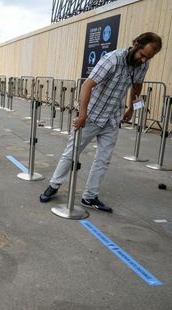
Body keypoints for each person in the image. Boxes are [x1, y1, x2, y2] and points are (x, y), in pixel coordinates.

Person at [39, 32, 162, 213]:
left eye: (148, 58)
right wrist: (82, 114)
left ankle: (89, 197)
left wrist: (130, 107)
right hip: (91, 115)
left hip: (112, 118)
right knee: (72, 152)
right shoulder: (112, 59)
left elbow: (137, 85)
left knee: (103, 159)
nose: (144, 61)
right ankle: (54, 185)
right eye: (142, 55)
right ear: (135, 44)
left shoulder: (142, 65)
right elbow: (87, 85)